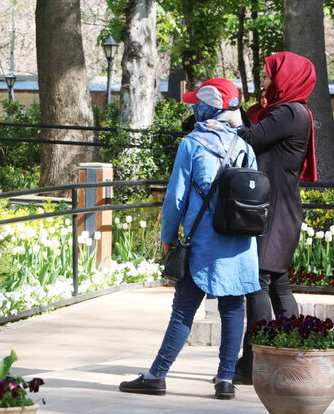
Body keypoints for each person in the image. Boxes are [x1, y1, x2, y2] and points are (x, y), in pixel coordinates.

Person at [118, 78, 260, 400]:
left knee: (183, 310)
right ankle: (225, 380)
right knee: (234, 309)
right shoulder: (246, 148)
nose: (193, 107)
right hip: (239, 245)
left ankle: (157, 374)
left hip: (203, 243)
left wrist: (167, 237)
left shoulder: (192, 144)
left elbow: (175, 199)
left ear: (207, 107)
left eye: (197, 102)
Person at [233, 51, 317, 384]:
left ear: (287, 78)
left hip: (273, 210)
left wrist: (228, 113)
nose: (264, 81)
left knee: (258, 283)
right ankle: (289, 353)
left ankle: (254, 363)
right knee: (277, 285)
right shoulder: (296, 112)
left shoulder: (289, 113)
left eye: (268, 76)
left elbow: (251, 139)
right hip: (281, 210)